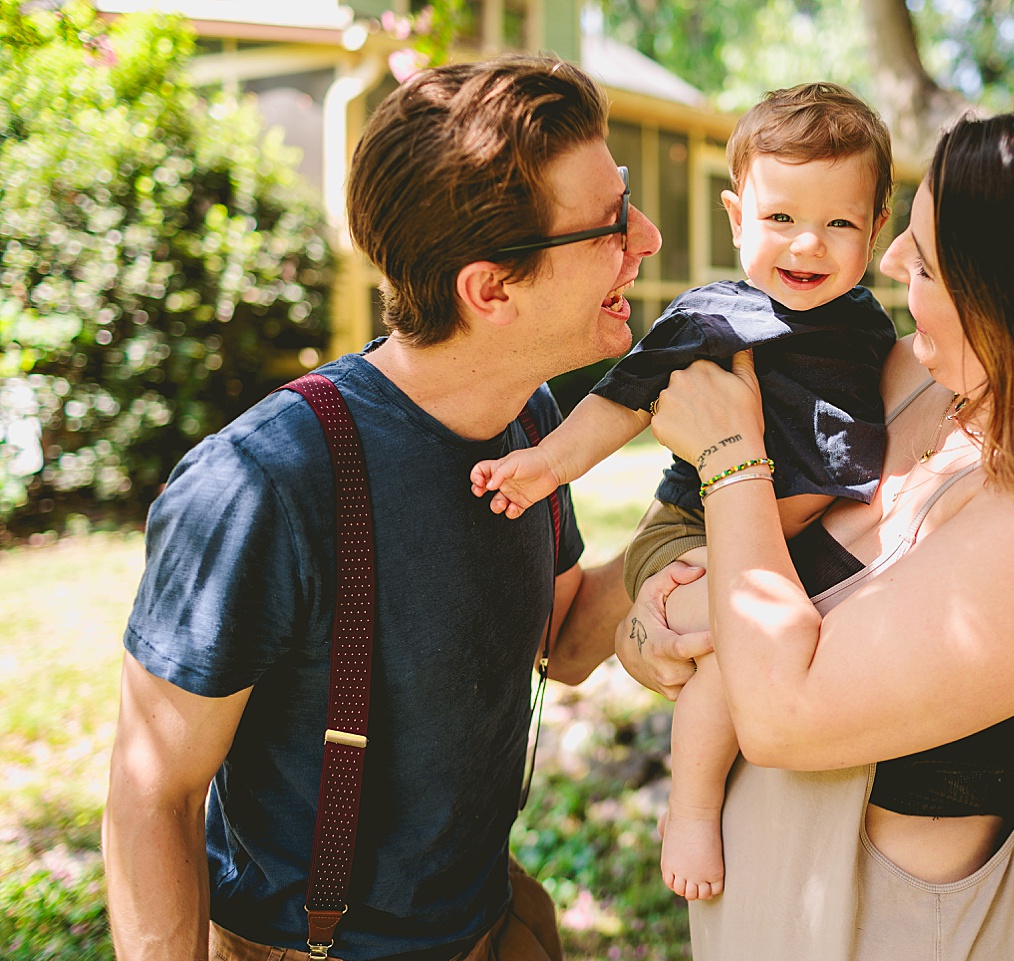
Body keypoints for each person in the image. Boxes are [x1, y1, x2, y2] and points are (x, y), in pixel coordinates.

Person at [102, 56, 706, 961]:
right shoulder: (261, 487)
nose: (648, 236)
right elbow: (153, 795)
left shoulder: (531, 419)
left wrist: (696, 491)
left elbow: (565, 640)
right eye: (610, 223)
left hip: (490, 924)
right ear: (490, 288)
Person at [623, 112, 1014, 959]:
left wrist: (731, 455)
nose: (887, 262)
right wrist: (650, 625)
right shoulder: (919, 376)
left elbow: (779, 712)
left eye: (925, 259)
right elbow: (732, 583)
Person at [470, 83, 895, 901]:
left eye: (839, 223)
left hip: (778, 539)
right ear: (737, 218)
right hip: (690, 527)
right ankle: (692, 807)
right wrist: (550, 465)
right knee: (733, 654)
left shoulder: (870, 338)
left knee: (755, 636)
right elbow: (623, 398)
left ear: (877, 228)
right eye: (779, 219)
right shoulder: (714, 315)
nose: (807, 243)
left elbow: (845, 471)